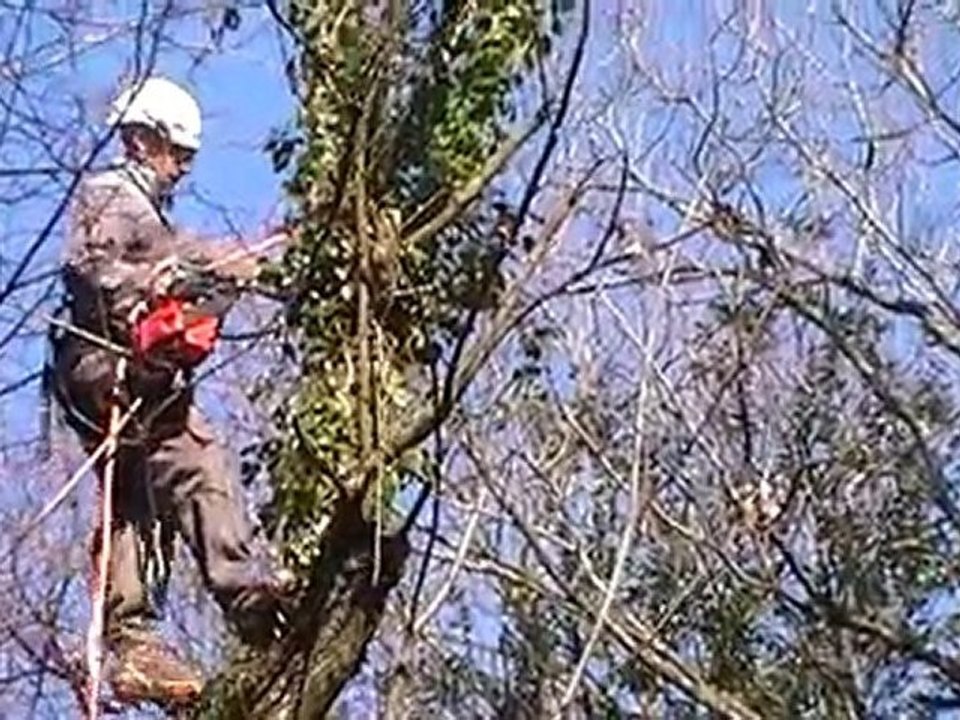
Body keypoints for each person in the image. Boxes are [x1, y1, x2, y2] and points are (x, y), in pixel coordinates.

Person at [50, 76, 290, 706]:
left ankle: (133, 641)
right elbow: (92, 271)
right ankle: (240, 597)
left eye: (187, 157)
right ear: (140, 139)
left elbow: (201, 257)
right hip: (102, 363)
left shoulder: (156, 223)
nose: (182, 168)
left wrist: (265, 262)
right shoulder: (110, 197)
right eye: (175, 153)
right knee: (192, 457)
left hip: (130, 375)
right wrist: (151, 296)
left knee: (135, 497)